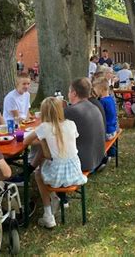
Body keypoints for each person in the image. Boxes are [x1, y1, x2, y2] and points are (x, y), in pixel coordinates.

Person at [24, 97, 87, 229]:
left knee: (38, 173)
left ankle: (48, 214)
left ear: (43, 112)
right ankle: (55, 199)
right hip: (75, 170)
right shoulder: (70, 124)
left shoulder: (44, 127)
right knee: (46, 162)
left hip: (57, 175)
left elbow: (26, 142)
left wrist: (41, 140)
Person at [64, 78, 105, 172]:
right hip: (98, 156)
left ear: (74, 93)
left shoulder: (72, 111)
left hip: (84, 162)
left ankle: (31, 169)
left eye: (69, 91)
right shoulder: (93, 106)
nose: (68, 94)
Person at [93, 78, 118, 162]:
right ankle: (111, 152)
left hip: (107, 132)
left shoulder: (102, 102)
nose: (94, 91)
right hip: (113, 129)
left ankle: (102, 159)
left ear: (101, 89)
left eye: (95, 89)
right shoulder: (110, 98)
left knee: (92, 137)